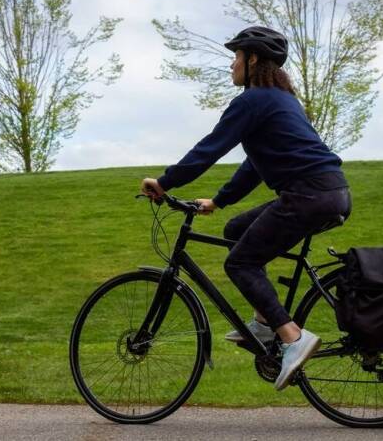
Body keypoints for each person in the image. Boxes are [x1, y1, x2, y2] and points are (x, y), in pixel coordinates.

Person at [140, 26, 352, 390]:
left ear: (252, 59)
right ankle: (263, 323)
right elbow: (255, 165)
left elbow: (211, 148)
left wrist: (165, 182)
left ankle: (291, 336)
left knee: (239, 261)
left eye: (235, 57)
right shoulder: (280, 100)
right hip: (328, 192)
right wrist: (219, 201)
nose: (231, 65)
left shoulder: (252, 101)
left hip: (308, 195)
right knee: (236, 231)